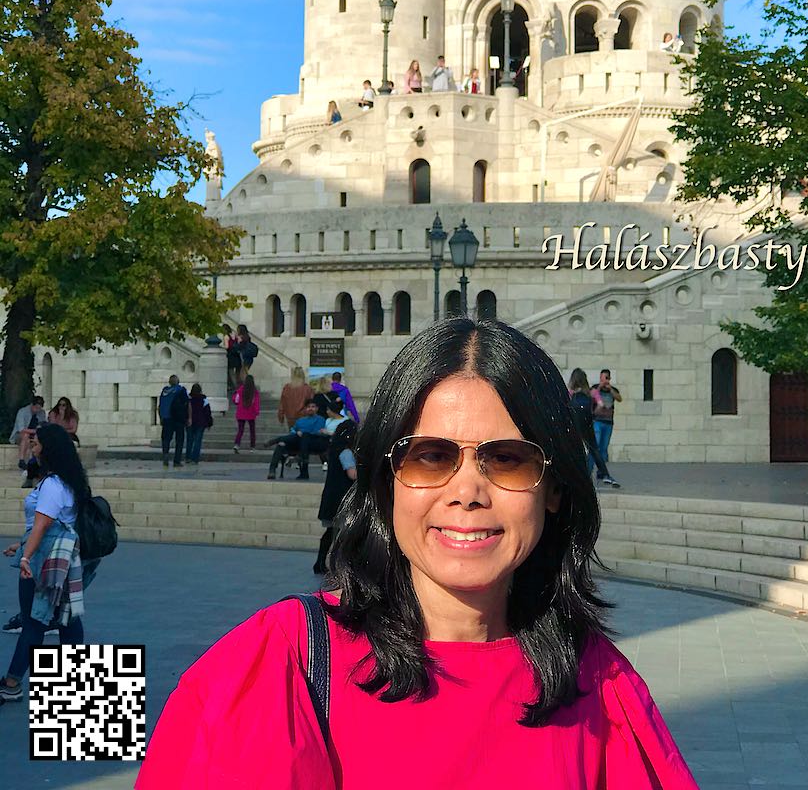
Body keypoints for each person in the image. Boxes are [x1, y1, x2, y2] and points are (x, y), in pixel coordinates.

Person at [137, 318, 700, 789]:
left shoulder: (597, 682)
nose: (467, 491)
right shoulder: (280, 664)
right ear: (386, 481)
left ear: (554, 490)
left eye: (507, 459)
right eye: (429, 457)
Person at [0, 424, 87, 703]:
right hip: (62, 558)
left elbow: (43, 524)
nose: (33, 449)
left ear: (48, 449)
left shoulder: (52, 484)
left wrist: (26, 556)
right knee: (66, 620)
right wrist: (22, 545)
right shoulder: (69, 480)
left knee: (34, 621)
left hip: (43, 561)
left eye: (36, 445)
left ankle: (12, 682)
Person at [313, 419, 358, 575]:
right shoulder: (346, 452)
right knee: (340, 534)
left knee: (330, 533)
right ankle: (337, 566)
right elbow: (352, 474)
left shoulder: (334, 451)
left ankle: (320, 563)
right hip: (341, 500)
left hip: (331, 497)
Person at [567, 369, 618, 488]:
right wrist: (593, 415)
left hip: (575, 423)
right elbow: (601, 405)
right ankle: (606, 474)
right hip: (588, 423)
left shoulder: (570, 392)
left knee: (574, 448)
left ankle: (577, 475)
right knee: (594, 449)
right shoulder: (591, 392)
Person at [591, 369, 622, 487]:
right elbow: (591, 395)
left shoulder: (612, 390)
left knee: (604, 448)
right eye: (601, 378)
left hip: (608, 422)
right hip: (597, 421)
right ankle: (591, 470)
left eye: (605, 378)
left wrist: (610, 390)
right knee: (596, 446)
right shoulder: (595, 388)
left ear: (609, 379)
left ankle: (601, 472)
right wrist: (599, 387)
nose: (603, 380)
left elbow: (619, 398)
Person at [159, 376, 190, 468]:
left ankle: (165, 456)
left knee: (166, 439)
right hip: (178, 419)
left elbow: (160, 405)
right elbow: (186, 404)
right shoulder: (181, 390)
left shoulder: (164, 391)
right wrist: (188, 418)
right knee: (179, 440)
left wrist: (161, 417)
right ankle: (177, 461)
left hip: (166, 418)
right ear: (178, 381)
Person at [9, 395, 46, 468]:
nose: (37, 410)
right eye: (36, 408)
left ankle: (38, 462)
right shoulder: (22, 412)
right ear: (32, 405)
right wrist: (35, 431)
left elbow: (42, 426)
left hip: (34, 436)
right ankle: (22, 460)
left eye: (39, 408)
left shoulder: (41, 413)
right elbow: (21, 429)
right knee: (25, 436)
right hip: (20, 435)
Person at [186, 384, 213, 465]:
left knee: (189, 440)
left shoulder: (189, 399)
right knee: (198, 441)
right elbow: (207, 412)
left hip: (190, 422)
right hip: (201, 422)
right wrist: (209, 423)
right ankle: (195, 459)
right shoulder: (204, 400)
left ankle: (188, 457)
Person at [233, 374, 261, 452]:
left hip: (241, 413)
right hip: (251, 413)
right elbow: (256, 402)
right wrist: (256, 412)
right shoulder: (255, 391)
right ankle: (252, 447)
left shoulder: (240, 389)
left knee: (240, 430)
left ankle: (237, 444)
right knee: (252, 430)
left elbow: (236, 400)